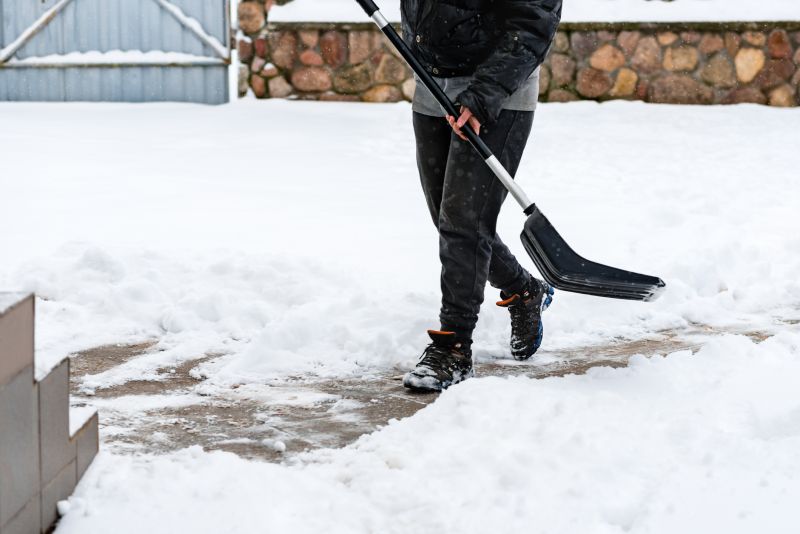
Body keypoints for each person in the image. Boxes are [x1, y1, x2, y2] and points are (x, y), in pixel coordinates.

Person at [402, 0, 563, 391]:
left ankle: (453, 347)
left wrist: (483, 94)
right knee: (448, 216)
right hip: (432, 78)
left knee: (464, 221)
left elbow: (533, 19)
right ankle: (524, 289)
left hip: (497, 90)